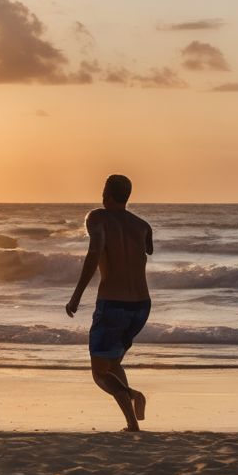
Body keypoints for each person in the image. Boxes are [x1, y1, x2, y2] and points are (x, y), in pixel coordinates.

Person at [66, 174, 153, 432]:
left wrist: (77, 295)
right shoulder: (143, 225)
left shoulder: (97, 217)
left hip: (113, 304)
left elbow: (95, 252)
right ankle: (131, 423)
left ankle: (132, 393)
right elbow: (148, 250)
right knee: (113, 364)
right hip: (141, 306)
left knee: (99, 373)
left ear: (107, 193)